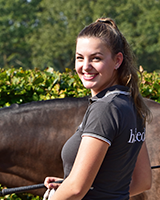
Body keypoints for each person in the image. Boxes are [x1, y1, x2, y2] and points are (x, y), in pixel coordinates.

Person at [44, 17, 152, 200]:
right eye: (80, 58)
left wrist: (70, 189)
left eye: (96, 58)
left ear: (118, 60)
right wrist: (69, 183)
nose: (85, 67)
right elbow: (142, 182)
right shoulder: (132, 105)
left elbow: (76, 189)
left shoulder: (105, 108)